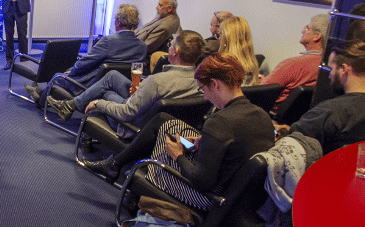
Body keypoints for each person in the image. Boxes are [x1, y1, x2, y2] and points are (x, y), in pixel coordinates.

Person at [81, 53, 274, 209]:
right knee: (164, 120)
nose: (205, 97)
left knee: (164, 145)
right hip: (237, 198)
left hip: (208, 198)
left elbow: (201, 182)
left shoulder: (220, 122)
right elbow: (233, 149)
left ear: (215, 84)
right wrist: (204, 141)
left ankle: (135, 184)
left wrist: (178, 155)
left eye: (203, 89)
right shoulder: (261, 115)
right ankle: (114, 164)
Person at [47, 30, 204, 123]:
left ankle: (71, 106)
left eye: (171, 45)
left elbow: (128, 112)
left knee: (105, 93)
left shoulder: (157, 80)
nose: (169, 48)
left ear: (176, 52)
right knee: (112, 76)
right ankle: (70, 106)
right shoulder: (202, 83)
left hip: (135, 121)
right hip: (157, 116)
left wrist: (98, 103)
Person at [29, 3, 146, 104]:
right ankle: (39, 92)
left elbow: (85, 63)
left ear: (117, 22)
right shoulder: (142, 47)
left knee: (57, 76)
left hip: (90, 85)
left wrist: (71, 73)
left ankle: (39, 101)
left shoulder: (108, 41)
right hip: (116, 88)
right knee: (69, 70)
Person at [279, 40, 365, 156]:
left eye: (331, 69)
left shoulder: (330, 112)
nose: (329, 75)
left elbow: (288, 149)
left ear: (344, 69)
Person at [260, 13, 328, 108]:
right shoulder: (328, 66)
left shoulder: (292, 65)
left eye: (307, 28)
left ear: (317, 36)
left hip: (271, 113)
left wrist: (261, 81)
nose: (302, 31)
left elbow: (261, 93)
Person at [218, 16, 259, 85]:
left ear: (226, 38)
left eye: (219, 34)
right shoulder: (252, 64)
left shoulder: (220, 65)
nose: (218, 38)